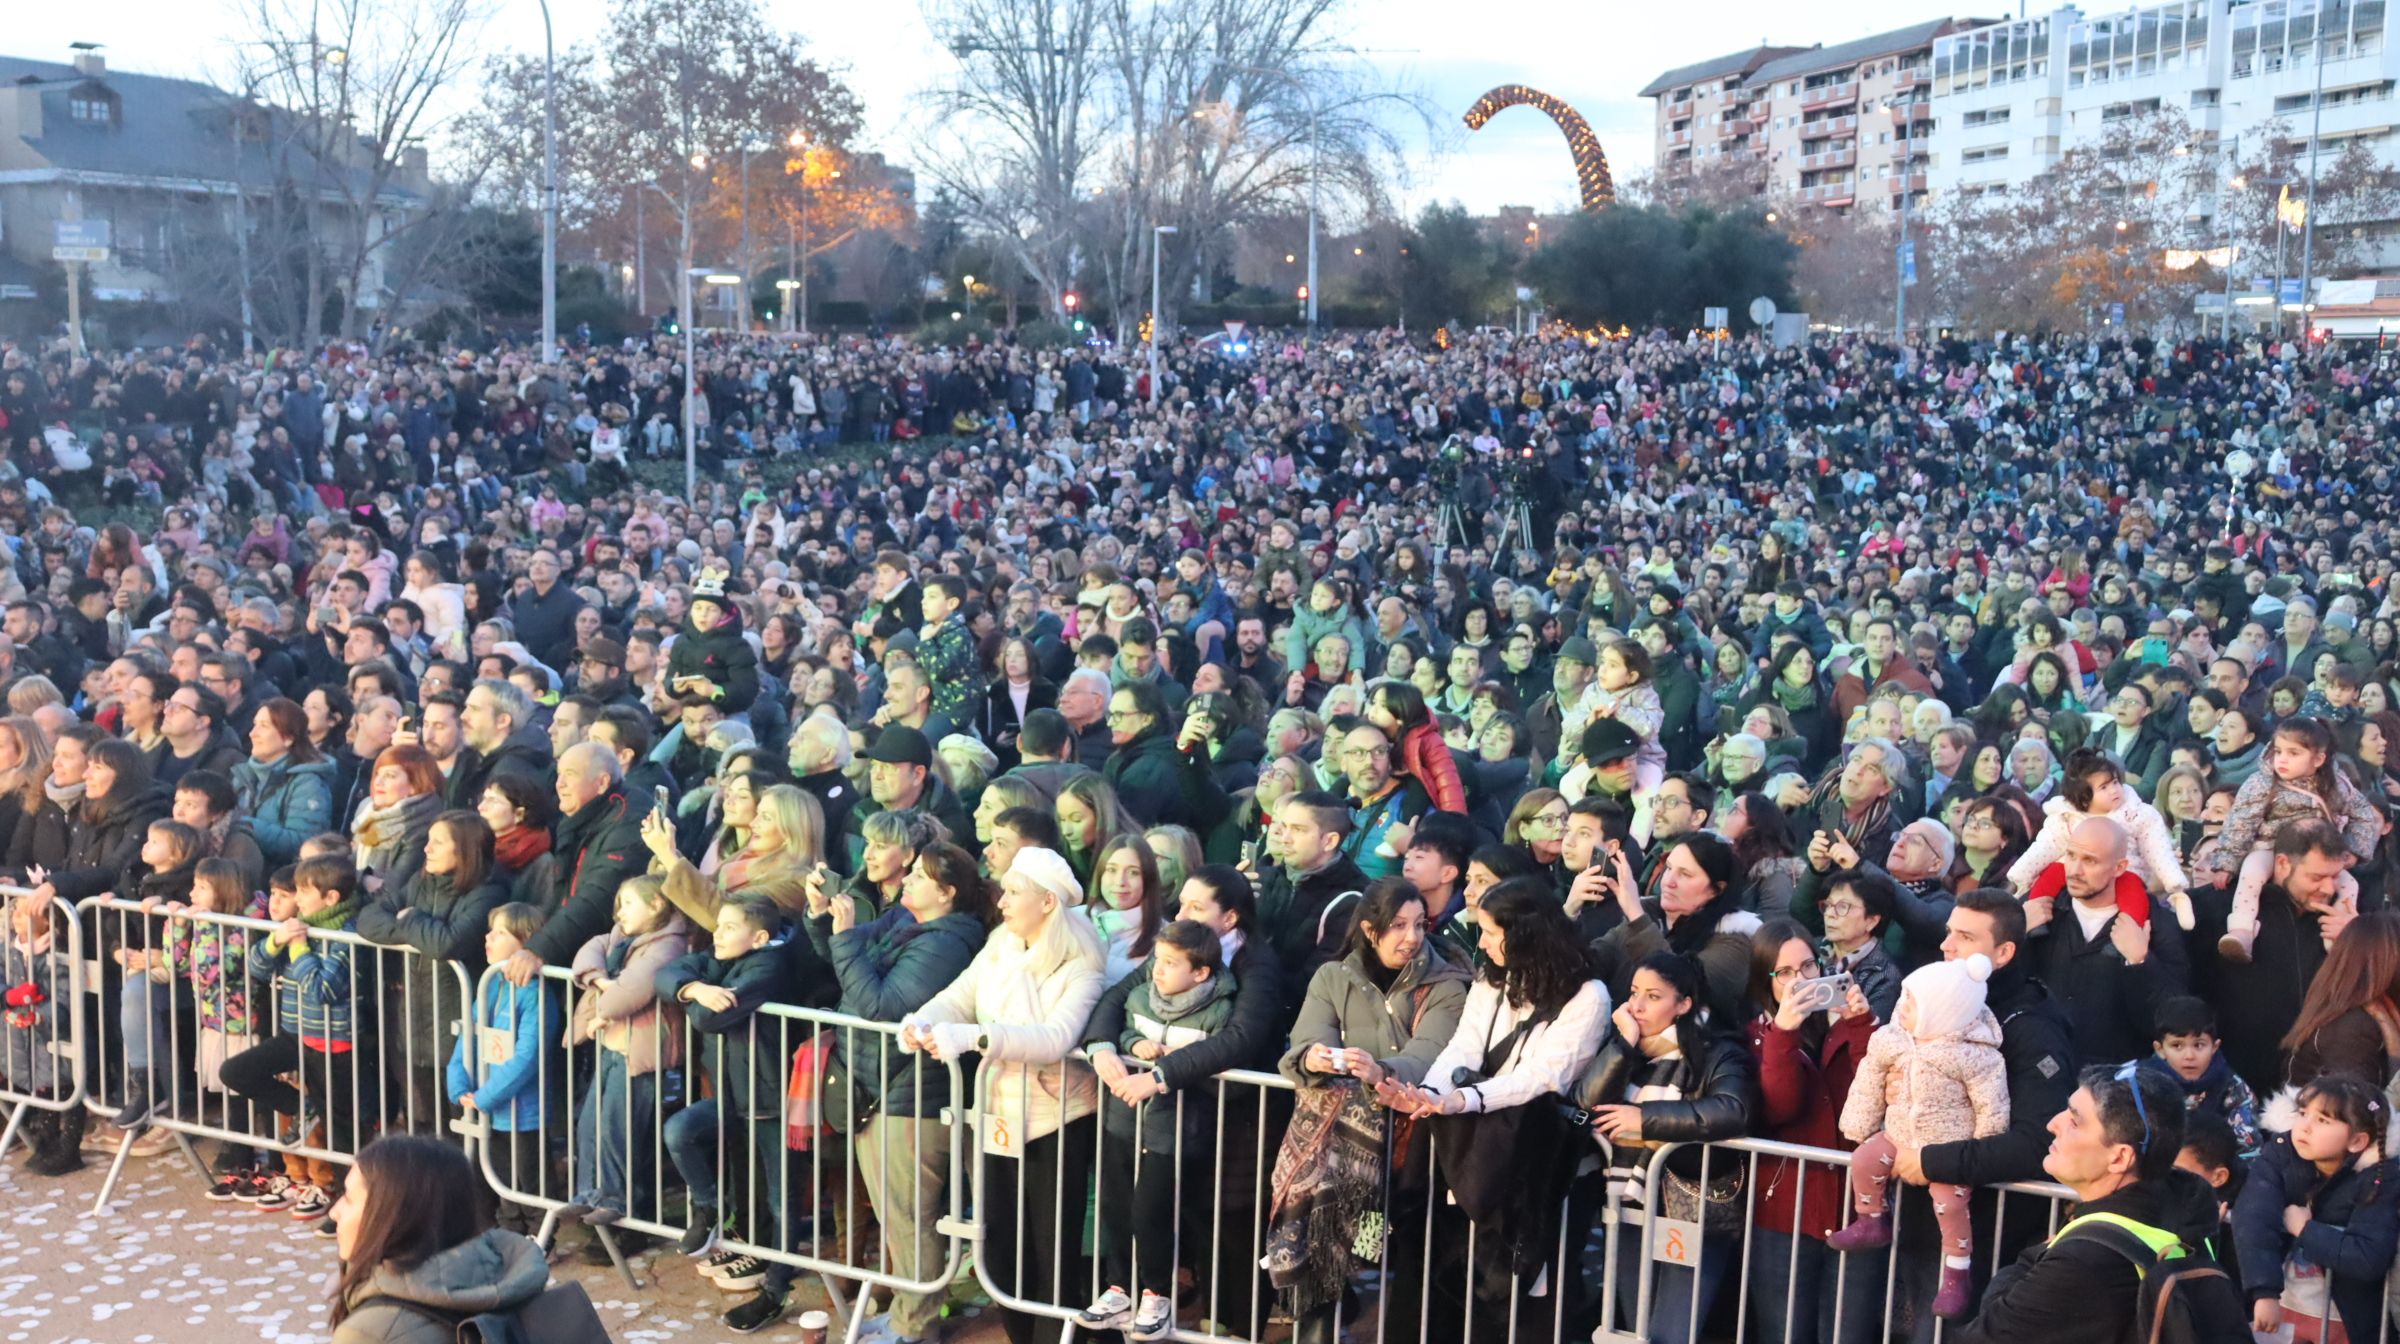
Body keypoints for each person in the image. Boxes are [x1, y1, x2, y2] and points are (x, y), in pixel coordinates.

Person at [1378, 881, 1608, 1339]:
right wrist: (1427, 1095)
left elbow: (1546, 1076)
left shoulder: (1589, 995)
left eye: (1488, 931)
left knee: (1513, 1283)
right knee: (1438, 1263)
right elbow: (1462, 1047)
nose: (1480, 942)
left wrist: (1464, 1099)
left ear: (1523, 933)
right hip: (1465, 1144)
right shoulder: (1491, 978)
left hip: (1533, 1157)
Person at [899, 847, 1104, 1344]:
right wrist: (924, 1018)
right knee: (1001, 1246)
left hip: (1059, 1120)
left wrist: (974, 1038)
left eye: (1015, 892)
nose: (1003, 899)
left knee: (1051, 1247)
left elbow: (1057, 1037)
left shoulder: (1082, 964)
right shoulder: (999, 945)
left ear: (1048, 902)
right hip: (997, 1116)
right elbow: (961, 994)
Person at [1270, 879, 1472, 1344]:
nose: (1412, 936)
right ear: (1369, 928)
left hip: (1414, 1147)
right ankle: (1317, 1332)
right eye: (1398, 925)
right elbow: (1299, 1048)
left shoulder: (1447, 986)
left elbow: (1429, 1057)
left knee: (1410, 1257)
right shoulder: (1333, 977)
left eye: (1419, 924)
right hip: (1339, 1153)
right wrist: (1314, 1058)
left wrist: (1378, 1069)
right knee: (1321, 1232)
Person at [820, 842, 990, 1344]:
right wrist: (822, 918)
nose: (907, 880)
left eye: (919, 876)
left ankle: (915, 1326)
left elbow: (880, 1004)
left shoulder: (948, 941)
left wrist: (845, 938)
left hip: (911, 1095)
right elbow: (837, 956)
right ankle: (904, 1318)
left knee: (911, 1217)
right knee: (898, 1216)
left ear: (947, 893)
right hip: (881, 1088)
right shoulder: (903, 920)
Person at [1952, 1064, 2217, 1344]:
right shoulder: (2189, 1201)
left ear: (2119, 1158)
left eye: (2075, 1121)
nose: (2053, 1124)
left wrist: (2039, 1255)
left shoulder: (2083, 1261)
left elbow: (1984, 1335)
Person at [657, 892, 818, 1333]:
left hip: (772, 1101)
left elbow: (709, 1021)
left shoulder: (769, 966)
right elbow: (668, 974)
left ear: (760, 937)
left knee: (781, 1201)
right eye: (718, 925)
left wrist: (697, 997)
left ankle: (776, 1288)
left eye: (729, 927)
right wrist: (694, 988)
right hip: (734, 1097)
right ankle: (709, 1208)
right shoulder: (721, 961)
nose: (717, 934)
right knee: (680, 1132)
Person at [1077, 919, 1243, 1337]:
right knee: (1115, 1210)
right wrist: (1133, 1045)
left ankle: (1156, 1293)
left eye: (1170, 963)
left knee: (1150, 1214)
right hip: (1123, 1121)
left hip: (1175, 1131)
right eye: (1158, 960)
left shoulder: (1220, 1009)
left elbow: (1217, 1052)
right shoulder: (1139, 995)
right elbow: (1126, 1027)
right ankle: (1119, 1289)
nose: (1158, 970)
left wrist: (1173, 1057)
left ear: (1200, 972)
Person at [1582, 948, 1754, 1344]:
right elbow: (1587, 1100)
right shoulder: (1628, 1046)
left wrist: (1645, 1119)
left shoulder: (1717, 1049)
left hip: (1686, 1205)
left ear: (1684, 1004)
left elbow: (1733, 1108)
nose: (1637, 1006)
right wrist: (1622, 1046)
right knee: (1631, 1327)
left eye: (1653, 996)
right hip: (1628, 1201)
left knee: (1670, 1332)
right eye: (1634, 992)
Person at [1828, 954, 2013, 1317]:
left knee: (1950, 1203)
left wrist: (1984, 1145)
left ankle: (1956, 1274)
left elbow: (1992, 1104)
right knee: (1864, 1159)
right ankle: (1871, 1219)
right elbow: (1869, 1081)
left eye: (1913, 1002)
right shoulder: (1893, 1039)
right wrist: (1858, 1124)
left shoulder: (1974, 1056)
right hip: (1898, 1135)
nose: (1903, 1006)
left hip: (1947, 1149)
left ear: (1941, 1011)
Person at [1744, 918, 1880, 1344]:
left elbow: (1875, 1097)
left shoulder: (1849, 1024)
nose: (1799, 980)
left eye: (1807, 967)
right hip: (1785, 1208)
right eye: (1784, 972)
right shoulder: (1758, 1036)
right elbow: (1781, 1107)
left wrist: (1860, 1025)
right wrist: (1784, 1032)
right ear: (1765, 980)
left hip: (1855, 1208)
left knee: (1847, 1333)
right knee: (1785, 1333)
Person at [559, 874, 693, 1234]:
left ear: (656, 905)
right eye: (619, 904)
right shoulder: (623, 936)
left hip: (641, 1053)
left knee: (619, 1128)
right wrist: (602, 980)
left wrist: (606, 994)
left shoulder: (668, 946)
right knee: (590, 1124)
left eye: (629, 903)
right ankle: (587, 1191)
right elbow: (590, 948)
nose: (620, 913)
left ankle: (615, 1198)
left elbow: (630, 993)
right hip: (613, 1044)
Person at [325, 1134, 550, 1344]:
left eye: (348, 1197)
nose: (334, 1212)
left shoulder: (370, 1333)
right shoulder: (512, 1277)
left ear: (396, 1215)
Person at [2230, 1073, 2400, 1341]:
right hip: (2283, 1310)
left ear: (2357, 1141)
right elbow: (2254, 1217)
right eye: (2302, 1113)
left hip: (2345, 1320)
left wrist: (2306, 1229)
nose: (2304, 1127)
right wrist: (2263, 1292)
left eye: (2323, 1120)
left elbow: (2369, 1256)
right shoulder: (2280, 1154)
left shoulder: (2380, 1176)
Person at [2213, 716, 2379, 963]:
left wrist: (2353, 850)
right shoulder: (2262, 783)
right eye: (2278, 751)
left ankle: (2337, 934)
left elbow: (2364, 815)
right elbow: (2240, 822)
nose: (2282, 759)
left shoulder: (2335, 785)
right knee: (2251, 874)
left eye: (2293, 753)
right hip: (2268, 847)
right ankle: (2242, 930)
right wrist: (2227, 862)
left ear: (2318, 759)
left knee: (2349, 885)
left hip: (2321, 854)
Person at [445, 903, 560, 1234]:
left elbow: (527, 1056)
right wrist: (459, 1085)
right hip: (489, 1104)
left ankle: (541, 1236)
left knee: (532, 1178)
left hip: (523, 1109)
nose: (488, 937)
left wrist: (487, 1095)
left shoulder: (536, 994)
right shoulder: (490, 985)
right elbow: (468, 1039)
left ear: (525, 942)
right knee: (501, 1175)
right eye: (490, 929)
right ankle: (511, 1230)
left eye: (500, 932)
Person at [2007, 748, 2193, 930]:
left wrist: (2174, 884)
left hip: (2126, 869)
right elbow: (2046, 846)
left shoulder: (2136, 814)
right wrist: (2019, 875)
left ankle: (2131, 930)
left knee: (2134, 893)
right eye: (2104, 787)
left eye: (2114, 782)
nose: (2114, 790)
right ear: (2084, 798)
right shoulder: (2067, 816)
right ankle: (2038, 924)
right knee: (2050, 874)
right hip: (2072, 867)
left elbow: (2157, 849)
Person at [2139, 995, 2261, 1160]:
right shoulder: (2138, 1085)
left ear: (2214, 1047)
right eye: (2177, 1045)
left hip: (2212, 1176)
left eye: (2199, 1045)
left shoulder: (2232, 1088)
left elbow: (2249, 1150)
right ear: (2160, 1049)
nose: (2189, 1056)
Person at [233, 697, 336, 866]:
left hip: (279, 880)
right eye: (254, 724)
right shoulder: (242, 774)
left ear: (288, 738)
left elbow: (303, 842)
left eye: (264, 726)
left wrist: (246, 825)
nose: (253, 733)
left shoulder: (308, 784)